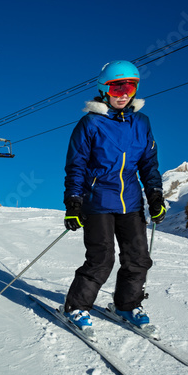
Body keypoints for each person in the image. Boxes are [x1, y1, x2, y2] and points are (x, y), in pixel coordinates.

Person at [61, 60, 166, 330]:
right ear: (103, 88)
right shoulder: (90, 123)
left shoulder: (141, 123)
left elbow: (148, 163)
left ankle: (127, 304)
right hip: (97, 201)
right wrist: (73, 202)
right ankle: (76, 306)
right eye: (117, 86)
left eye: (130, 86)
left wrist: (154, 195)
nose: (123, 93)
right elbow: (77, 165)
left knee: (138, 257)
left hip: (130, 201)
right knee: (101, 258)